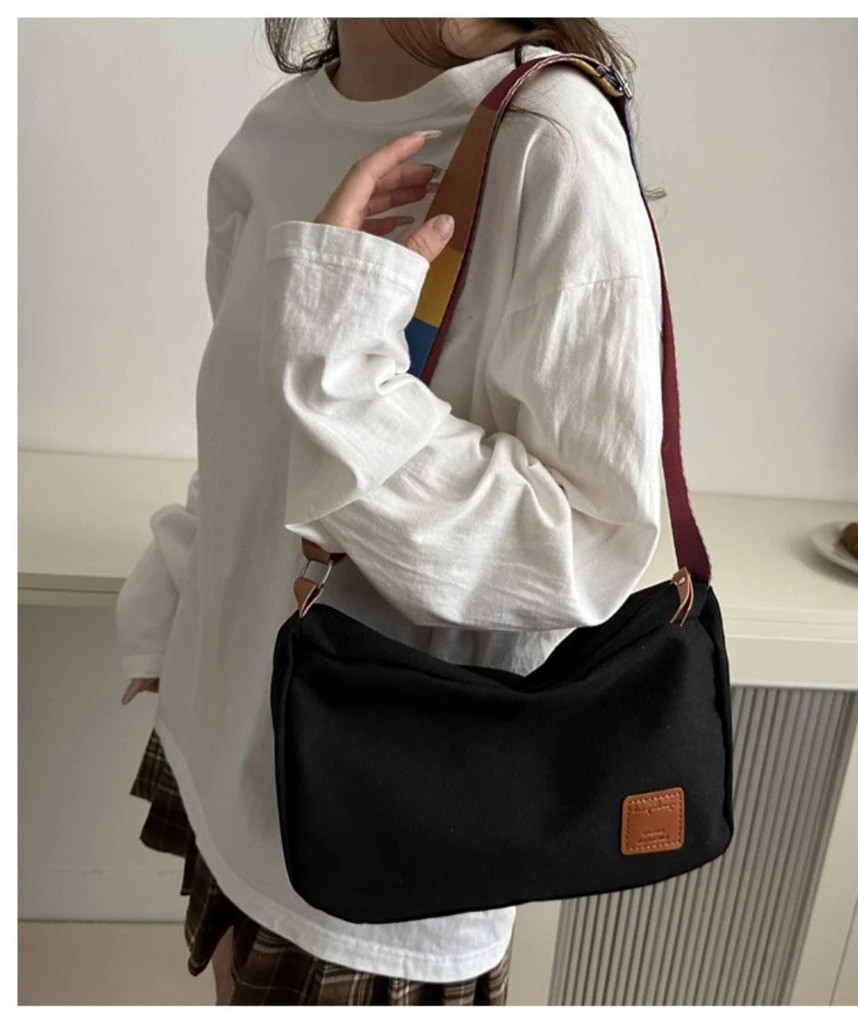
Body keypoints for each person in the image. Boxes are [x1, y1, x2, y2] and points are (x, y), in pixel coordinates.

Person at [116, 17, 665, 1006]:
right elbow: (248, 435)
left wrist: (340, 367)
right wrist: (183, 602)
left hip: (377, 811)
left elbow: (580, 548)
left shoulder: (548, 138)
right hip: (229, 729)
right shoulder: (277, 130)